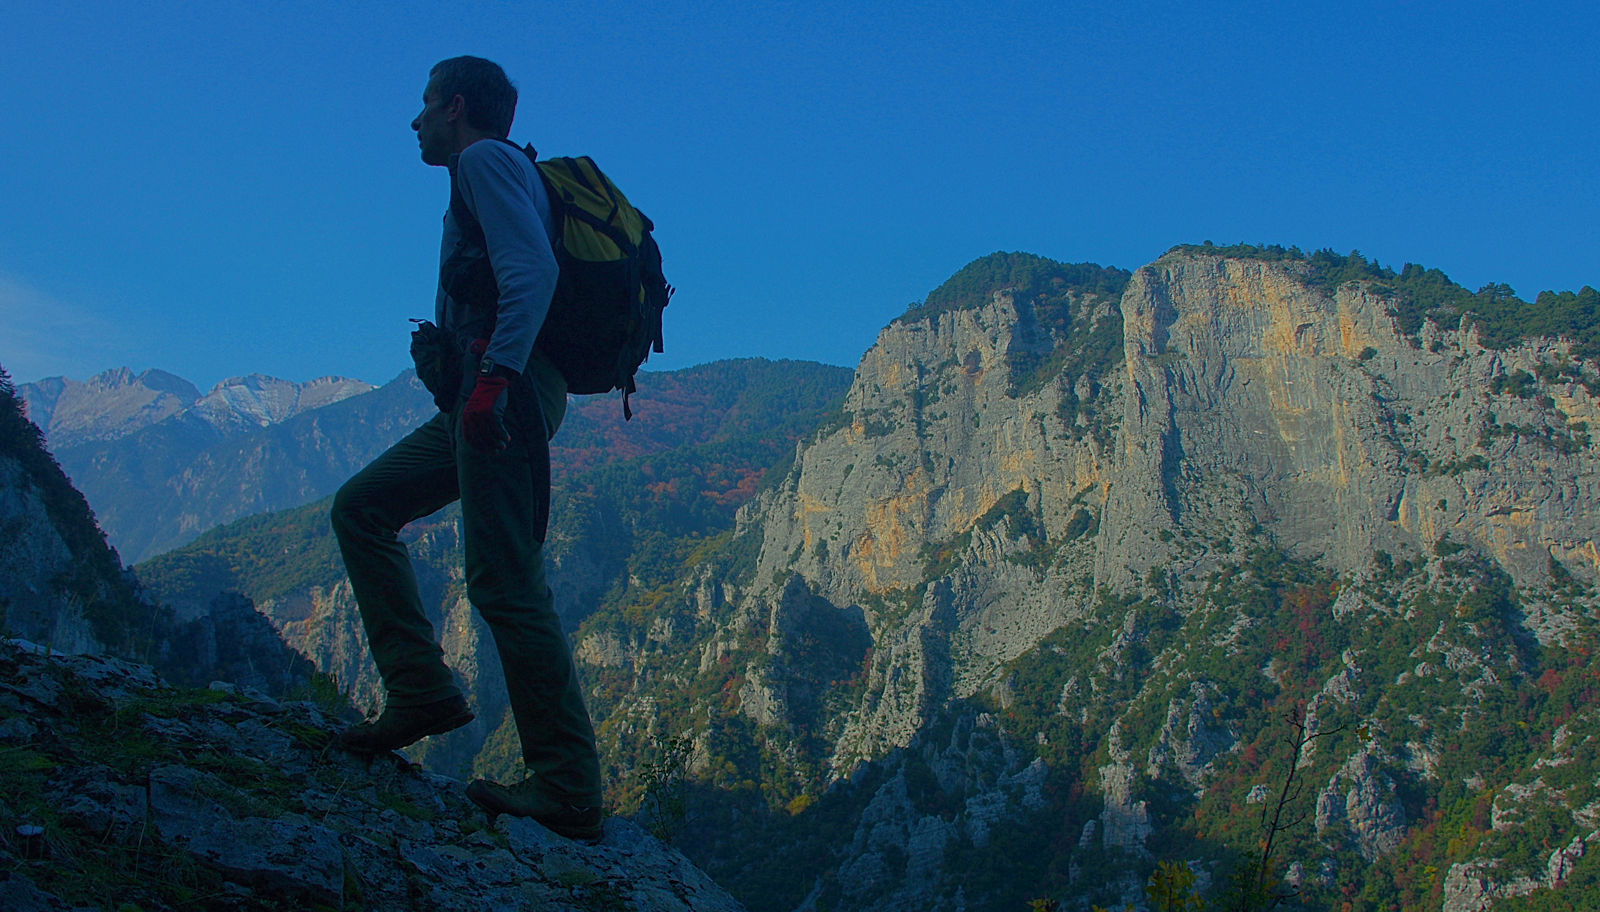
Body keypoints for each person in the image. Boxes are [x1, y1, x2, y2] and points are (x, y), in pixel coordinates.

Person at [330, 56, 603, 843]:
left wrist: (492, 381)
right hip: (481, 398)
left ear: (455, 107)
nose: (413, 123)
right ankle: (421, 690)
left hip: (501, 399)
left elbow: (533, 271)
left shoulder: (483, 160)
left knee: (505, 582)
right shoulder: (492, 172)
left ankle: (568, 786)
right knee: (363, 506)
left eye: (422, 106)